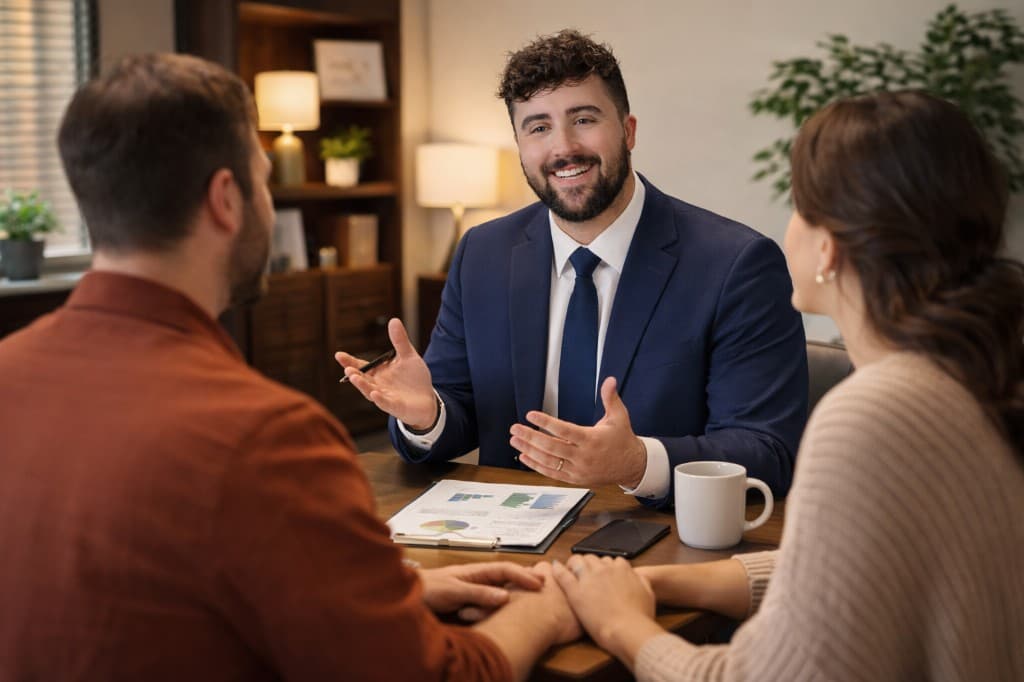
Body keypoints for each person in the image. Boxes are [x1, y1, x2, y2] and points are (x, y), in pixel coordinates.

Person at [0, 53, 579, 682]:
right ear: (227, 199)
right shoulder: (266, 437)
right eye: (264, 177)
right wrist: (548, 611)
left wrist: (390, 592)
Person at [550, 90, 1024, 680]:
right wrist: (658, 581)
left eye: (800, 206)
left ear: (830, 248)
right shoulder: (969, 377)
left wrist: (621, 624)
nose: (787, 227)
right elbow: (841, 569)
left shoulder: (871, 415)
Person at [337, 30, 807, 505]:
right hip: (510, 530)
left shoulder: (735, 265)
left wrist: (638, 462)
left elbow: (767, 450)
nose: (563, 147)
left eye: (583, 119)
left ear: (628, 131)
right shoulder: (483, 253)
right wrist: (427, 416)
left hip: (659, 532)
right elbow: (458, 411)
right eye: (538, 128)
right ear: (520, 147)